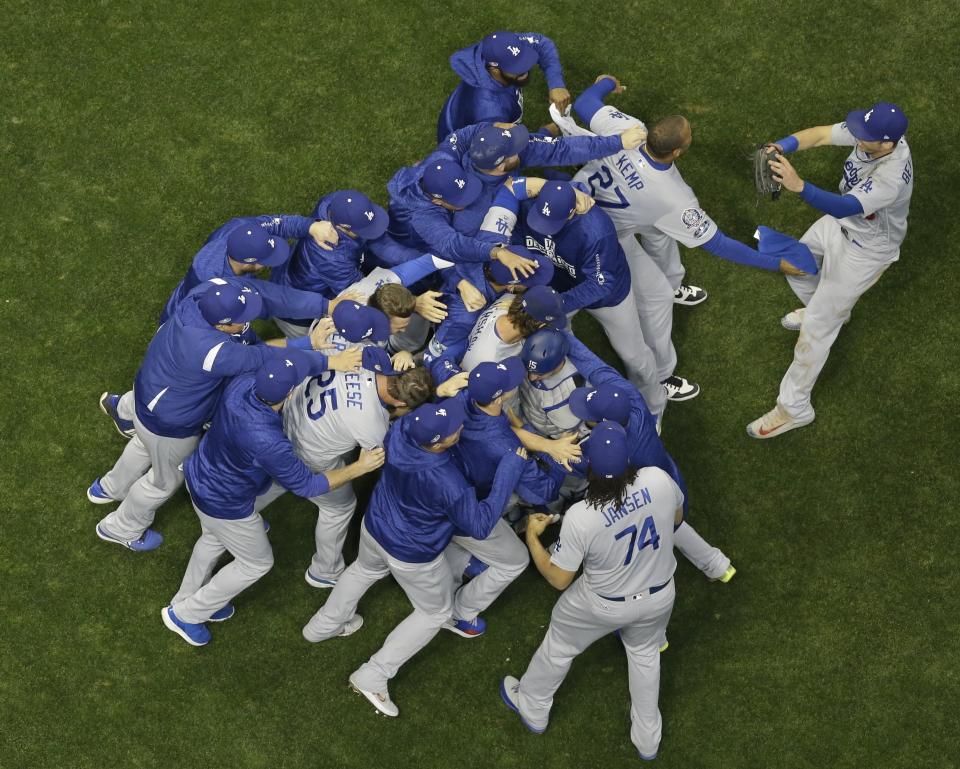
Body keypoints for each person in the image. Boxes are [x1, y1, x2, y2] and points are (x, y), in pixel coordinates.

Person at [88, 279, 361, 551]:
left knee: (144, 446)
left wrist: (316, 323)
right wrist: (326, 357)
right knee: (162, 482)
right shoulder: (213, 352)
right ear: (221, 325)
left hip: (152, 395)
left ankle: (109, 488)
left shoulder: (200, 298)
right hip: (170, 422)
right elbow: (265, 358)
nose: (247, 321)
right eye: (240, 320)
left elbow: (257, 311)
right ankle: (121, 527)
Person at [301, 398, 527, 717]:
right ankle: (373, 675)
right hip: (412, 553)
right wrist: (508, 472)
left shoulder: (403, 432)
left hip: (376, 524)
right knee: (435, 613)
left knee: (363, 570)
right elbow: (477, 525)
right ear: (437, 444)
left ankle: (322, 626)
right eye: (453, 429)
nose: (460, 426)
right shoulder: (448, 481)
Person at [161, 353, 385, 647]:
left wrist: (332, 363)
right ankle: (186, 614)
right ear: (290, 392)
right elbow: (307, 485)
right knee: (256, 563)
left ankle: (187, 598)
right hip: (226, 502)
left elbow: (297, 363)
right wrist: (359, 467)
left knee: (214, 539)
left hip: (202, 472)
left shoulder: (243, 384)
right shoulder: (267, 439)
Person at [500, 421, 683, 760]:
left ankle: (533, 705)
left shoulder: (582, 516)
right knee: (644, 657)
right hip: (660, 594)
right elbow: (675, 520)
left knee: (560, 645)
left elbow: (559, 579)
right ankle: (647, 740)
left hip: (603, 604)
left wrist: (532, 538)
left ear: (591, 468)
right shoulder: (658, 479)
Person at [747, 102, 913, 438]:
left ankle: (793, 409)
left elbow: (845, 205)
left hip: (866, 251)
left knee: (816, 333)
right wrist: (783, 145)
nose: (857, 136)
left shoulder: (890, 177)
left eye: (865, 136)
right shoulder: (875, 135)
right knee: (799, 265)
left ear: (886, 144)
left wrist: (799, 186)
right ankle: (828, 308)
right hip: (840, 226)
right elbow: (822, 134)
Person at [100, 216, 340, 438]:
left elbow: (271, 224)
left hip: (206, 321)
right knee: (188, 381)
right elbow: (270, 311)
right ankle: (130, 413)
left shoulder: (237, 234)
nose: (269, 265)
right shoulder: (212, 280)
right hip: (189, 332)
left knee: (168, 380)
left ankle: (123, 408)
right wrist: (315, 332)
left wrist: (310, 226)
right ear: (249, 262)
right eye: (264, 261)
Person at [252, 346, 449, 588]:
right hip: (308, 452)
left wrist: (405, 355)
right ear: (398, 401)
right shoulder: (372, 422)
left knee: (280, 477)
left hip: (287, 419)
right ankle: (325, 570)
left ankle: (247, 511)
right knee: (340, 507)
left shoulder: (365, 357)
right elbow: (383, 454)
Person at [481, 179, 668, 416]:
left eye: (553, 222)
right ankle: (569, 394)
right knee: (555, 343)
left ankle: (654, 405)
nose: (544, 226)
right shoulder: (529, 207)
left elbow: (601, 284)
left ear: (572, 211)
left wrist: (556, 305)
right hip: (554, 284)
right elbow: (515, 212)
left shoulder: (595, 230)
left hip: (606, 297)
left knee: (634, 355)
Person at [443, 358, 565, 624]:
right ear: (499, 399)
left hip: (439, 491)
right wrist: (558, 460)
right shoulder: (506, 447)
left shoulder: (460, 400)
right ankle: (460, 614)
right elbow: (542, 493)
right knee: (516, 560)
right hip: (467, 508)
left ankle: (461, 560)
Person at [437, 31, 570, 141]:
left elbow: (541, 43)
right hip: (466, 145)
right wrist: (546, 133)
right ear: (495, 70)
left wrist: (556, 83)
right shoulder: (491, 110)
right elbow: (506, 149)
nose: (525, 69)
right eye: (515, 68)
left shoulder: (503, 49)